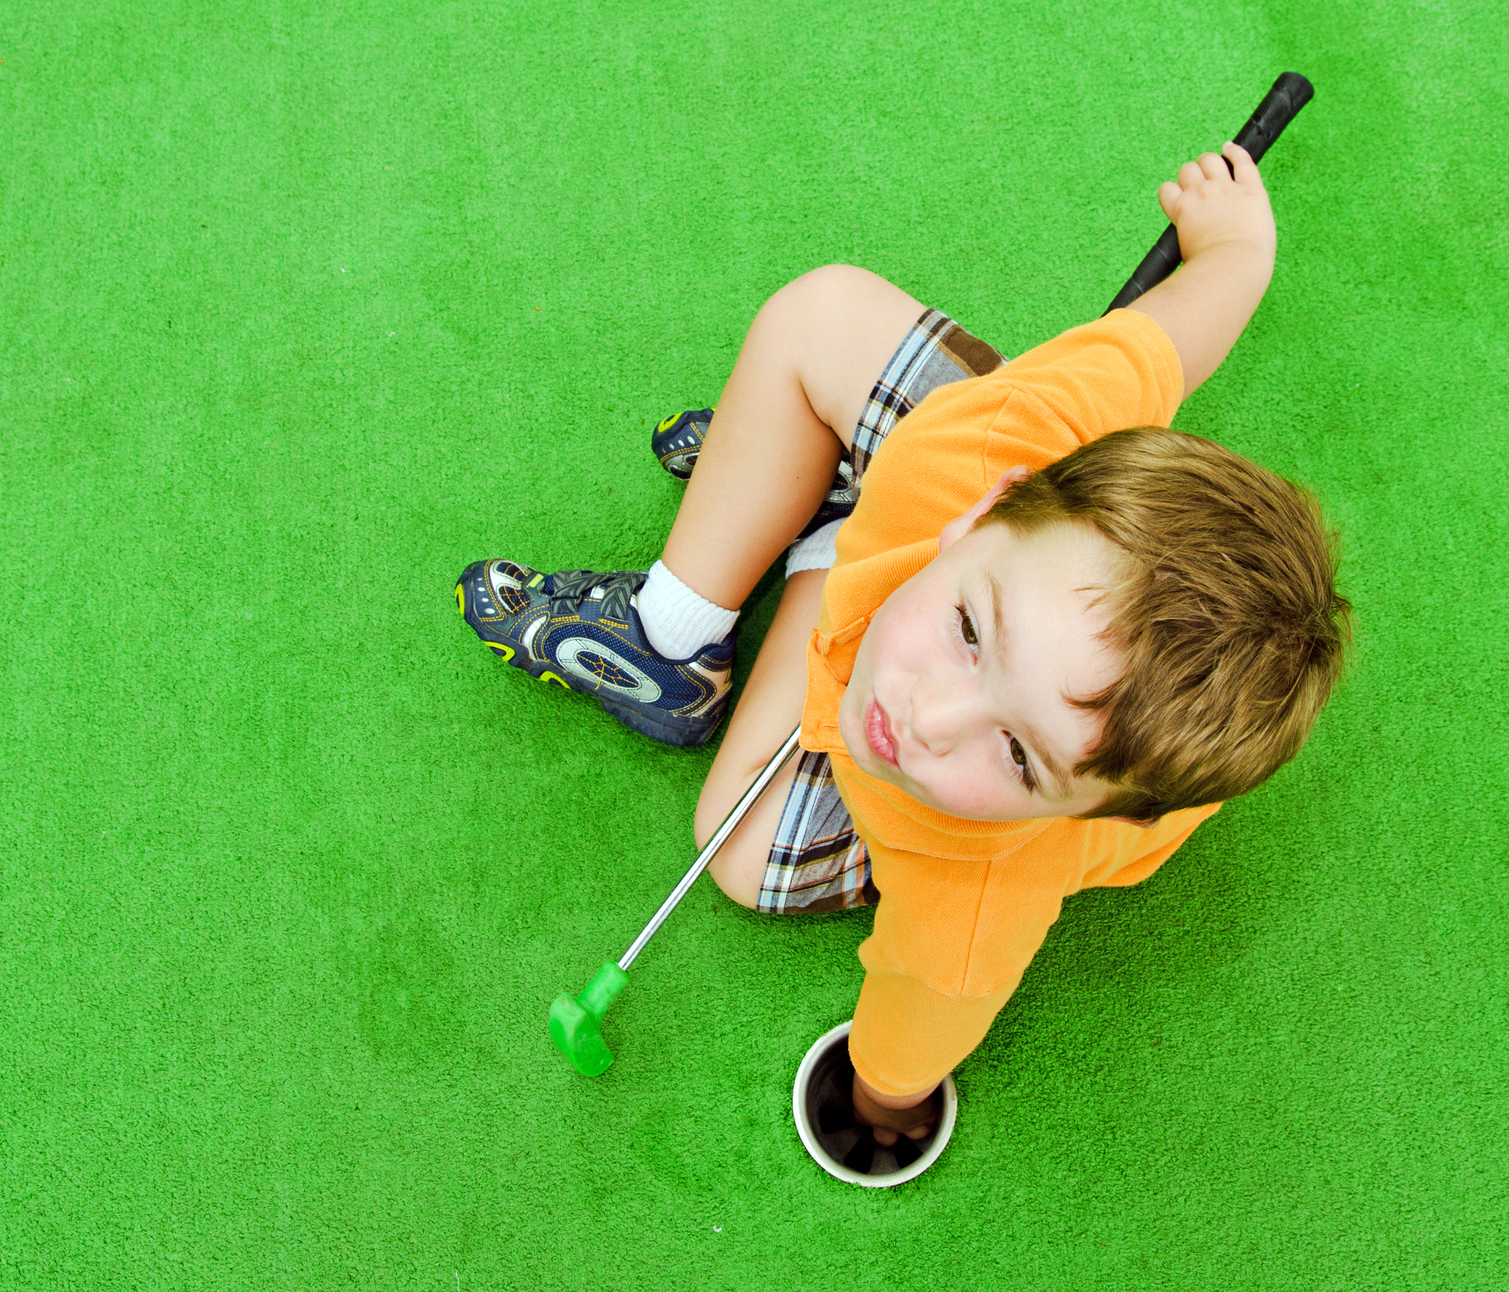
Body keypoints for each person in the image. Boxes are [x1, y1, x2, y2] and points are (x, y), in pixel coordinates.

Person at [455, 141, 1350, 1146]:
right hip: (918, 507)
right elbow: (1160, 347)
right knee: (821, 314)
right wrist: (1237, 255)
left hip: (914, 708)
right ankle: (675, 632)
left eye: (1018, 753)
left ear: (1085, 811)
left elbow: (914, 1030)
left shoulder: (978, 890)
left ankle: (818, 517)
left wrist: (881, 1102)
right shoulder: (1002, 432)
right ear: (996, 502)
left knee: (740, 852)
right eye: (973, 629)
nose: (923, 717)